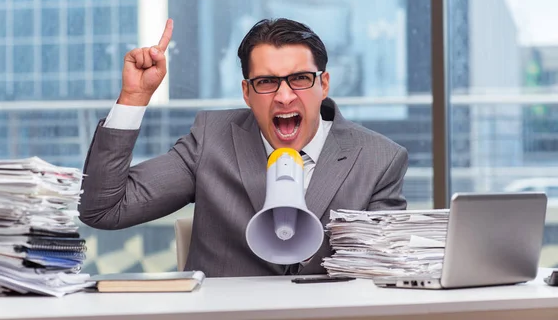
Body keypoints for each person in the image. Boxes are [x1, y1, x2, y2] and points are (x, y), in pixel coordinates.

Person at [79, 18, 408, 277]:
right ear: (247, 93)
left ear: (323, 84)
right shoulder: (212, 139)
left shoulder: (378, 159)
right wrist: (134, 98)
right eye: (266, 82)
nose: (284, 96)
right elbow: (104, 210)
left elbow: (383, 271)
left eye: (300, 79)